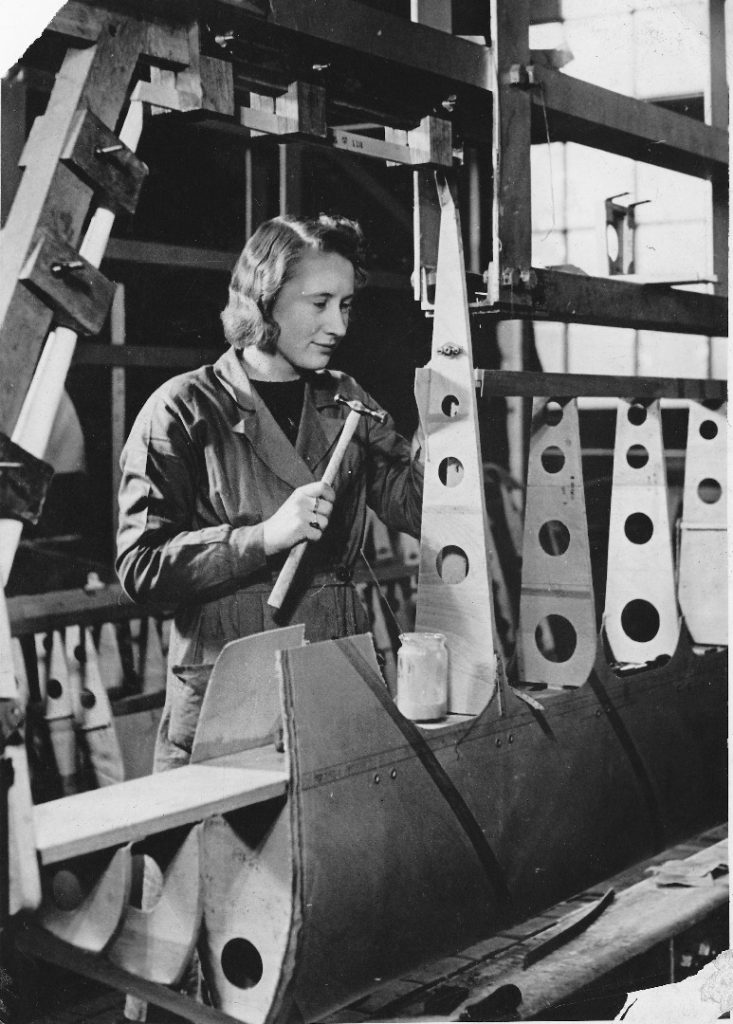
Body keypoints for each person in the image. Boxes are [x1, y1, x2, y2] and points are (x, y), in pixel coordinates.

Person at [116, 214, 424, 771]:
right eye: (320, 302)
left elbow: (422, 509)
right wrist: (260, 538)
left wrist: (444, 424)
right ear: (264, 299)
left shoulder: (347, 400)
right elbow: (140, 569)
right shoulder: (183, 409)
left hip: (337, 662)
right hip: (229, 677)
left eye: (346, 305)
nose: (339, 325)